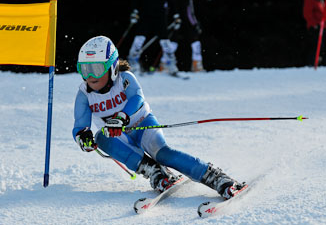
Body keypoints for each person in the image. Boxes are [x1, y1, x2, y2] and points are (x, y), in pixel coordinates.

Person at [73, 36, 245, 200]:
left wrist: (121, 117)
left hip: (142, 125)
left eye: (96, 69)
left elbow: (136, 98)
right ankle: (155, 172)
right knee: (101, 138)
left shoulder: (124, 79)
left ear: (112, 67)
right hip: (119, 136)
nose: (90, 76)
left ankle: (216, 178)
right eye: (85, 69)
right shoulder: (84, 94)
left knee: (163, 154)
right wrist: (83, 137)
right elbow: (80, 125)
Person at [127, 0, 180, 75]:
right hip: (145, 12)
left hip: (160, 14)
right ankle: (133, 63)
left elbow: (171, 1)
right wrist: (134, 11)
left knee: (165, 40)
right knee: (140, 38)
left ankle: (171, 64)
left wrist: (176, 15)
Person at [303, 0, 326, 66]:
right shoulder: (310, 0)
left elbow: (324, 14)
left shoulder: (321, 1)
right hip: (316, 27)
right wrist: (314, 24)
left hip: (324, 27)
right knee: (317, 46)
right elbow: (307, 13)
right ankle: (312, 64)